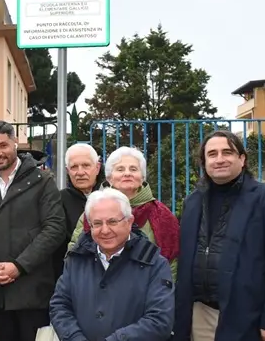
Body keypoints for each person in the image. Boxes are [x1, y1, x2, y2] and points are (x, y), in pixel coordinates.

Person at [173, 130, 265, 341]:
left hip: (247, 317)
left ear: (242, 159)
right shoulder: (192, 203)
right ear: (204, 163)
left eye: (228, 152)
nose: (220, 159)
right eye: (212, 154)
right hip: (199, 315)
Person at [0, 120, 66, 341]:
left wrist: (19, 266)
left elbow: (55, 228)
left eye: (3, 145)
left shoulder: (43, 180)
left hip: (33, 292)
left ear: (15, 143)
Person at [50, 188, 174, 341]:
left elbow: (159, 321)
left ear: (129, 222)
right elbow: (59, 306)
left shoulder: (154, 263)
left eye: (112, 222)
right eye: (97, 223)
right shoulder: (77, 259)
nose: (105, 230)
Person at [68, 146, 179, 277]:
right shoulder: (93, 209)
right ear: (109, 177)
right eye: (120, 169)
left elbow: (172, 260)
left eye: (133, 169)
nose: (127, 173)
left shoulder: (161, 214)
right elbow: (74, 252)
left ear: (142, 177)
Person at [54, 143, 103, 278]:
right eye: (74, 167)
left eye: (86, 165)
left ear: (97, 167)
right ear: (67, 170)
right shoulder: (58, 200)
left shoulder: (111, 197)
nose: (80, 172)